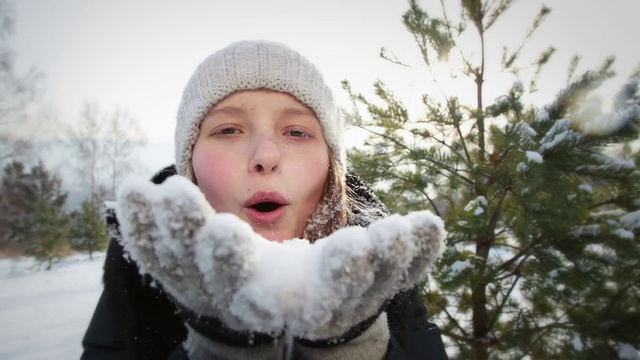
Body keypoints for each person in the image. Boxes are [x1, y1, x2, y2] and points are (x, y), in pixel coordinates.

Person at [81, 40, 449, 360]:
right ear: (188, 165)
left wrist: (358, 348)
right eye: (228, 130)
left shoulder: (379, 268)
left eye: (297, 131)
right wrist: (216, 349)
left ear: (331, 165)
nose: (266, 156)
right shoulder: (140, 276)